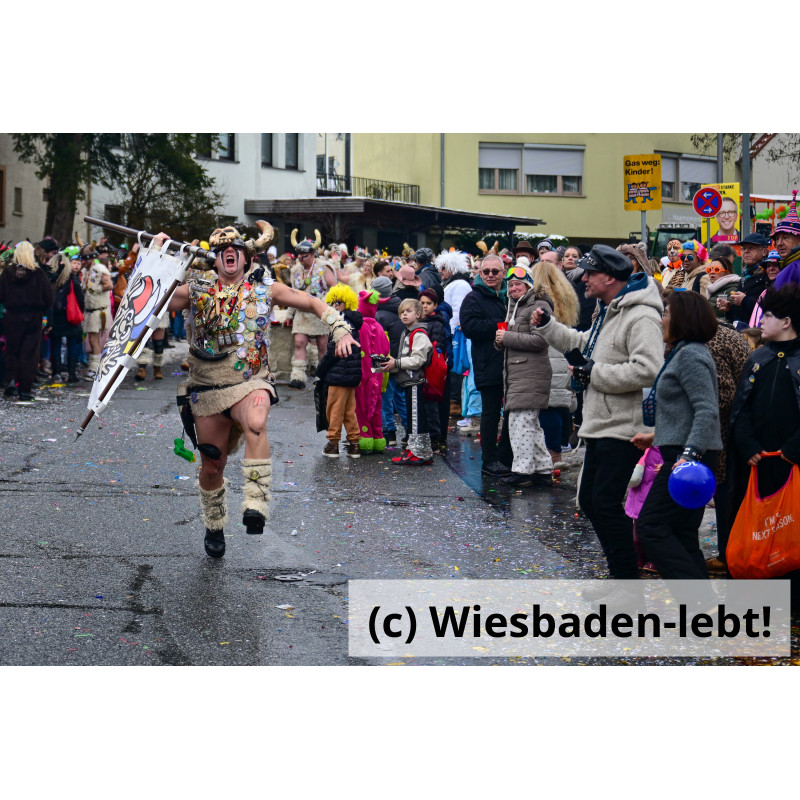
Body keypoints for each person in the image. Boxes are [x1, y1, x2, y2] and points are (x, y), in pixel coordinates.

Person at [160, 224, 357, 558]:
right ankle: (214, 523)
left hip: (250, 379)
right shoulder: (196, 288)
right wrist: (157, 257)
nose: (229, 253)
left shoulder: (265, 288)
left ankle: (255, 503)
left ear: (246, 256)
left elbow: (309, 301)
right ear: (215, 259)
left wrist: (340, 328)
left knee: (255, 419)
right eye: (222, 250)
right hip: (207, 387)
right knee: (212, 466)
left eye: (235, 248)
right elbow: (154, 296)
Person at [530, 245, 664, 602]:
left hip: (624, 428)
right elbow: (584, 345)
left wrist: (596, 373)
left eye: (589, 274)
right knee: (591, 502)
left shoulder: (641, 316)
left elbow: (649, 368)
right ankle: (620, 577)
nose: (583, 279)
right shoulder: (609, 310)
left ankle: (627, 586)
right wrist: (549, 327)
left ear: (610, 278)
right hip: (601, 424)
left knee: (603, 504)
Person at [631, 290, 721, 584]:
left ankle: (697, 602)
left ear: (683, 318)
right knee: (682, 533)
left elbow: (706, 410)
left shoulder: (692, 355)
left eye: (666, 312)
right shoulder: (683, 352)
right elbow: (685, 412)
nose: (661, 319)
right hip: (682, 451)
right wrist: (657, 436)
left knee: (651, 526)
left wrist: (688, 455)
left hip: (686, 459)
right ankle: (703, 610)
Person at [729, 284, 800, 606]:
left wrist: (793, 449)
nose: (762, 321)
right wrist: (746, 444)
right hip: (758, 459)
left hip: (792, 460)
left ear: (786, 321)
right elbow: (740, 407)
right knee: (760, 523)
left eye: (768, 315)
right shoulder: (758, 357)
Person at [494, 264, 554, 488]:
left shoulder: (538, 306)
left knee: (521, 424)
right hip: (520, 373)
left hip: (530, 374)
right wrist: (501, 340)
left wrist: (507, 337)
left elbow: (540, 341)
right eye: (510, 285)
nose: (512, 288)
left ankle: (523, 471)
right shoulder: (515, 307)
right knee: (530, 424)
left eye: (517, 284)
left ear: (528, 284)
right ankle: (543, 469)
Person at [460, 253, 514, 477]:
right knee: (490, 413)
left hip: (512, 364)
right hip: (487, 362)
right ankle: (489, 460)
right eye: (486, 272)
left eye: (495, 271)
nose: (490, 275)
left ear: (503, 273)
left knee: (512, 412)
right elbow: (470, 327)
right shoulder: (473, 298)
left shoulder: (511, 295)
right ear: (479, 273)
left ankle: (506, 457)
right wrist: (500, 326)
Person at [532, 259, 580, 468]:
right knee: (558, 405)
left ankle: (550, 456)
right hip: (561, 354)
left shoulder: (538, 300)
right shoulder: (566, 297)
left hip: (544, 355)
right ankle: (557, 452)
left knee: (546, 409)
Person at [376, 298, 434, 465]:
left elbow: (418, 360)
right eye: (402, 312)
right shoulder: (407, 332)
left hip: (415, 381)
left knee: (415, 418)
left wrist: (397, 363)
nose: (404, 315)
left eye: (408, 311)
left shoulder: (418, 334)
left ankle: (418, 452)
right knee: (413, 415)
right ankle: (416, 449)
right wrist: (390, 365)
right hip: (408, 380)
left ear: (418, 314)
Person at [0, 242, 55, 400]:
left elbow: (1, 295)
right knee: (29, 353)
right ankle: (25, 388)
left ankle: (10, 381)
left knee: (12, 350)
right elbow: (49, 297)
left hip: (12, 316)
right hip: (32, 317)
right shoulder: (38, 273)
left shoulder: (7, 273)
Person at [316, 285, 364, 459]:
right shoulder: (354, 323)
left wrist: (320, 371)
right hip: (350, 375)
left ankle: (333, 444)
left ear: (347, 303)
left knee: (334, 410)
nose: (334, 306)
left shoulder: (341, 324)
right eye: (332, 303)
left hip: (338, 375)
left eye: (338, 302)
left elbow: (332, 352)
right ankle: (354, 444)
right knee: (349, 411)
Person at [286, 229, 337, 389]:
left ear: (313, 254)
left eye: (304, 255)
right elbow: (292, 293)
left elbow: (335, 289)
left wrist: (333, 311)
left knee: (323, 345)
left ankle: (322, 377)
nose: (300, 258)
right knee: (299, 342)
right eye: (298, 255)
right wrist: (289, 314)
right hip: (301, 313)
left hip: (320, 313)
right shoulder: (295, 271)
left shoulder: (324, 268)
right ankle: (298, 376)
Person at [436, 249, 472, 417]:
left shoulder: (460, 284)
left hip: (454, 333)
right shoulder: (453, 283)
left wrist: (451, 331)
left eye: (444, 267)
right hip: (448, 331)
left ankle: (455, 402)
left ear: (453, 268)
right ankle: (452, 400)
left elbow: (458, 310)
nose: (440, 271)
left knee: (456, 366)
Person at [354, 288, 390, 454]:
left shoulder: (359, 326)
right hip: (377, 374)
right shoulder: (380, 328)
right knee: (375, 406)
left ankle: (365, 439)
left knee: (362, 407)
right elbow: (385, 350)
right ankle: (377, 439)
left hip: (363, 374)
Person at [419, 287, 451, 454]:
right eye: (422, 303)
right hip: (421, 369)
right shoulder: (419, 321)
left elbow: (436, 348)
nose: (424, 306)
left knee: (431, 407)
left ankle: (435, 439)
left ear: (435, 305)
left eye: (428, 303)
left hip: (430, 371)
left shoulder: (436, 323)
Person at [718, 232, 770, 330]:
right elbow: (741, 313)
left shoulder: (769, 274)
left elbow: (769, 309)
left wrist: (745, 301)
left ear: (764, 252)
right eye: (744, 248)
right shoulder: (745, 275)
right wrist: (729, 308)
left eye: (751, 248)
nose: (746, 252)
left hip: (759, 335)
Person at [49, 254, 85, 384]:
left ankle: (56, 372)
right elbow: (80, 298)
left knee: (56, 344)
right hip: (70, 316)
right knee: (72, 344)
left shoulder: (51, 279)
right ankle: (71, 373)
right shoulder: (72, 279)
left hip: (55, 316)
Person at [79, 245, 113, 378]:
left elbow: (109, 285)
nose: (83, 262)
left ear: (92, 258)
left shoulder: (99, 269)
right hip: (89, 310)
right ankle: (97, 367)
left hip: (98, 311)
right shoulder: (86, 271)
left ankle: (94, 368)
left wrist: (95, 289)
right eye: (82, 259)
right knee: (93, 339)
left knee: (94, 340)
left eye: (86, 259)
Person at [772, 190, 800, 290]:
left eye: (785, 237)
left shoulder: (795, 268)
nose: (779, 243)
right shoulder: (787, 266)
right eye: (777, 239)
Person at [748, 250, 783, 327]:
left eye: (775, 265)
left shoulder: (785, 292)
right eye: (768, 266)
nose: (771, 269)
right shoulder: (765, 292)